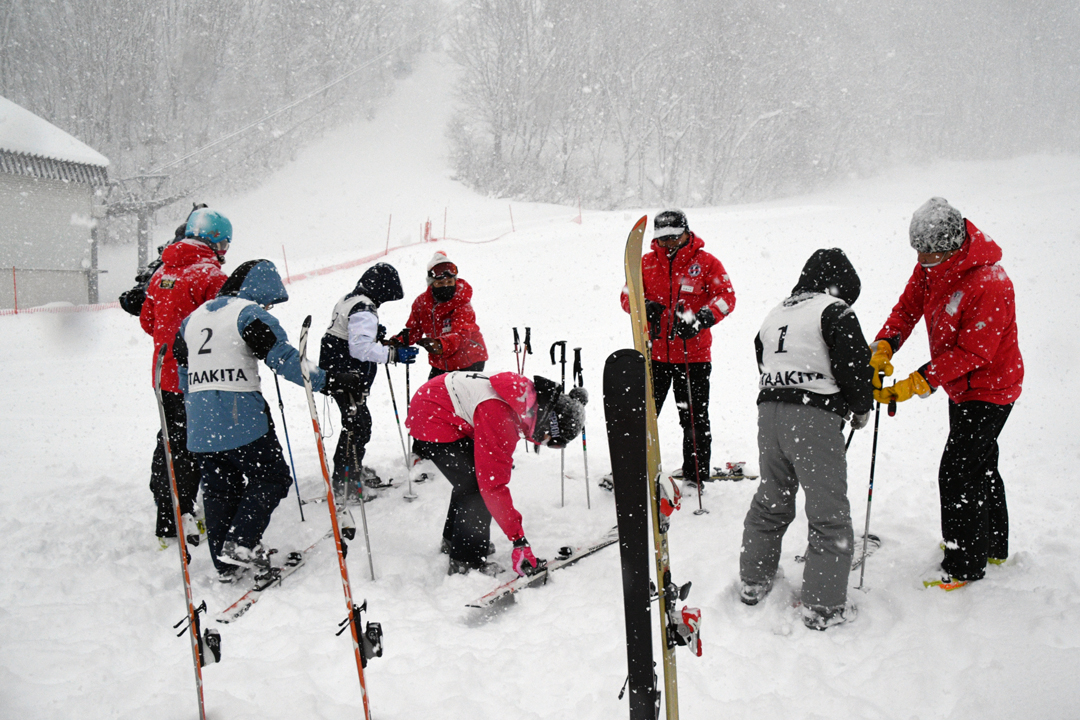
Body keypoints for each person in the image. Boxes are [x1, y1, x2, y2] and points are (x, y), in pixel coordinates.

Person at [174, 259, 366, 582]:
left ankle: (225, 562)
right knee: (273, 477)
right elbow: (285, 360)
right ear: (256, 290)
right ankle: (241, 542)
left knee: (220, 488)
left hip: (200, 423)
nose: (266, 306)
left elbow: (182, 373)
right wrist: (329, 381)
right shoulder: (248, 314)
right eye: (267, 300)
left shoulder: (193, 319)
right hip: (241, 419)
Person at [871, 198, 1023, 591]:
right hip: (962, 387)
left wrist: (918, 381)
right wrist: (885, 344)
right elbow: (907, 308)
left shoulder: (990, 282)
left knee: (957, 472)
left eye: (930, 252)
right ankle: (991, 544)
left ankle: (964, 562)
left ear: (954, 245)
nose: (922, 259)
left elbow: (975, 352)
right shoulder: (931, 267)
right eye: (918, 251)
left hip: (991, 389)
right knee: (981, 465)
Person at [738, 248, 874, 631]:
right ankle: (822, 606)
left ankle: (754, 580)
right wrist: (860, 406)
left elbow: (763, 358)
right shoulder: (835, 311)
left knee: (771, 499)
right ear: (841, 285)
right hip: (814, 418)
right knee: (829, 514)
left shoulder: (777, 312)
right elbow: (854, 365)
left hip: (770, 415)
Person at [405, 370, 587, 576]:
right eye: (550, 442)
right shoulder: (501, 416)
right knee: (477, 486)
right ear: (550, 424)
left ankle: (454, 541)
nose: (544, 444)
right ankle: (466, 561)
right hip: (431, 417)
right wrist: (519, 541)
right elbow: (492, 485)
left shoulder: (526, 400)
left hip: (436, 404)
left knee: (470, 479)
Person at [620, 209, 736, 486]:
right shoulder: (645, 263)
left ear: (686, 233)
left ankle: (696, 475)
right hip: (654, 356)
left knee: (694, 420)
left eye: (673, 237)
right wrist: (643, 306)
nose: (669, 244)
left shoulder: (707, 263)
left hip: (693, 357)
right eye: (663, 239)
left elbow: (726, 298)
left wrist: (702, 318)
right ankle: (632, 469)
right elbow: (626, 296)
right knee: (644, 415)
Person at [138, 205, 228, 548]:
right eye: (225, 245)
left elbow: (148, 321)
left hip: (163, 375)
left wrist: (169, 336)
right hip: (198, 377)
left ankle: (167, 513)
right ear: (216, 242)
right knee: (197, 445)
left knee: (169, 442)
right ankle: (186, 514)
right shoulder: (210, 275)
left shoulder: (163, 272)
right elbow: (225, 324)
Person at [320, 263, 418, 503]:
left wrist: (374, 334)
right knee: (357, 427)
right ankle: (346, 484)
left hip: (338, 373)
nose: (383, 302)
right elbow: (361, 348)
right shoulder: (364, 307)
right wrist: (394, 355)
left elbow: (349, 335)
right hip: (347, 376)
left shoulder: (350, 299)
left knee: (355, 424)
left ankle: (350, 472)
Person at [394, 251, 488, 379]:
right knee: (433, 396)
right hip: (441, 362)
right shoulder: (422, 303)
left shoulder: (462, 303)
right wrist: (397, 341)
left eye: (449, 282)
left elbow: (461, 334)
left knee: (458, 396)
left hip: (468, 360)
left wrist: (439, 345)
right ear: (431, 284)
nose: (445, 287)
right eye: (440, 284)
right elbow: (414, 330)